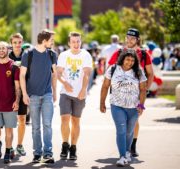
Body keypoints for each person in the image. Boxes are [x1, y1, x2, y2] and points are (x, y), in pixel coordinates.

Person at [108, 28, 154, 157]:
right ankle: (125, 149)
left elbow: (150, 74)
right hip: (119, 96)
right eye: (127, 37)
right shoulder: (118, 53)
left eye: (132, 38)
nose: (129, 40)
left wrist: (145, 90)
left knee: (134, 121)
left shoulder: (144, 54)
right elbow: (109, 71)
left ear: (138, 40)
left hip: (137, 95)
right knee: (123, 123)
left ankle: (132, 146)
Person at [100, 49, 147, 167]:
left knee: (129, 131)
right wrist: (102, 103)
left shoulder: (138, 71)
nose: (130, 62)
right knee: (121, 130)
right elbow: (105, 86)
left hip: (133, 107)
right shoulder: (113, 69)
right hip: (117, 105)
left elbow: (143, 89)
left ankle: (127, 152)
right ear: (122, 59)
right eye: (127, 59)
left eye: (132, 60)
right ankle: (122, 156)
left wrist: (141, 105)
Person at [20, 29, 57, 165]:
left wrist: (54, 92)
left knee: (47, 125)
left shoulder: (52, 54)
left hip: (47, 94)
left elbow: (54, 75)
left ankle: (48, 154)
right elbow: (22, 75)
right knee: (35, 126)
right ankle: (37, 153)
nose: (52, 42)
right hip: (33, 95)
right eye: (51, 40)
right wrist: (24, 93)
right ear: (44, 41)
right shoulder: (28, 54)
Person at [56, 32, 92, 160]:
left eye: (78, 41)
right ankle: (65, 145)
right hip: (65, 93)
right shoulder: (63, 55)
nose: (76, 44)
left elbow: (87, 73)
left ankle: (73, 148)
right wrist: (64, 83)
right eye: (73, 41)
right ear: (69, 43)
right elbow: (58, 73)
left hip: (79, 94)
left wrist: (83, 89)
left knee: (76, 121)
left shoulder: (86, 55)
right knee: (65, 119)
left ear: (80, 42)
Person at [8, 33, 28, 156]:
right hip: (9, 92)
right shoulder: (6, 55)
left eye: (19, 42)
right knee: (9, 121)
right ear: (11, 43)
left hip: (23, 91)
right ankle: (9, 147)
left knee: (22, 119)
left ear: (22, 42)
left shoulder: (27, 56)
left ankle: (19, 145)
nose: (17, 44)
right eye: (15, 42)